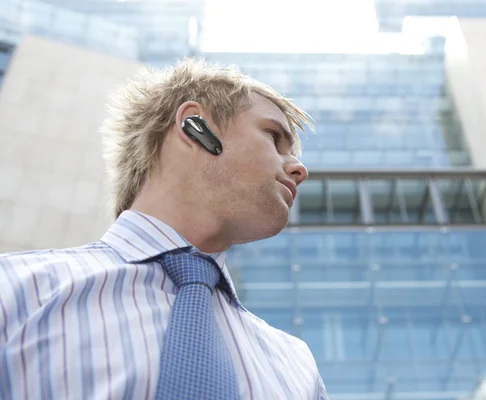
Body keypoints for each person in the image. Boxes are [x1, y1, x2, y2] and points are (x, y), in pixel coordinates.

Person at [0, 59, 329, 399]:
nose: (299, 169)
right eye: (274, 137)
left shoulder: (298, 367)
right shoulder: (13, 293)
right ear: (195, 127)